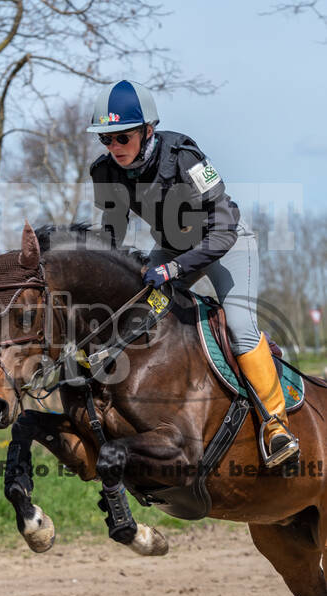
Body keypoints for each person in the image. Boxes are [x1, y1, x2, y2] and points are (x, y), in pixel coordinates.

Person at [87, 79, 299, 467]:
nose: (114, 148)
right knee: (133, 314)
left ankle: (275, 425)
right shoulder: (106, 172)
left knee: (239, 325)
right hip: (171, 249)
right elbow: (112, 234)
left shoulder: (185, 157)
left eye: (122, 137)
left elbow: (223, 229)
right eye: (106, 139)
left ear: (148, 130)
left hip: (224, 244)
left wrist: (174, 268)